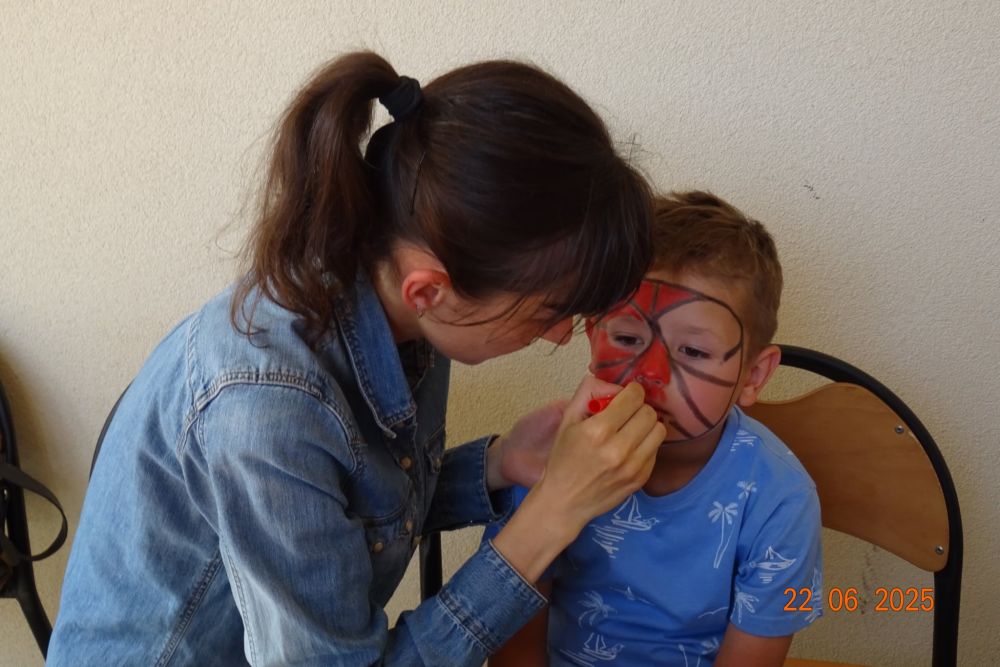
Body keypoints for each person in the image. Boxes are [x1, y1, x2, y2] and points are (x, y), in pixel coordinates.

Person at [48, 52, 669, 666]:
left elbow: (351, 516)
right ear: (430, 290)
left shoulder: (406, 301)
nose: (560, 337)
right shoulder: (268, 409)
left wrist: (500, 464)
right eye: (549, 312)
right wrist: (551, 517)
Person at [487, 191, 824, 667]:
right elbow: (513, 640)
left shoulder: (781, 501)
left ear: (753, 376)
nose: (651, 373)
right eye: (627, 338)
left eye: (693, 352)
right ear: (593, 337)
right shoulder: (547, 458)